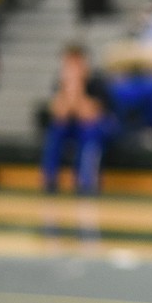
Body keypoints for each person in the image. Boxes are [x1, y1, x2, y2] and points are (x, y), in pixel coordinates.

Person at [40, 43, 111, 194]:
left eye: (75, 62)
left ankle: (85, 181)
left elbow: (89, 115)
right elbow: (59, 114)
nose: (72, 67)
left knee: (90, 132)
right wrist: (69, 89)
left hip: (95, 126)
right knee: (57, 130)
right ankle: (50, 179)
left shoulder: (97, 82)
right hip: (70, 125)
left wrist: (77, 88)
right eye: (68, 63)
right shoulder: (60, 83)